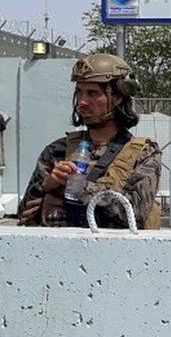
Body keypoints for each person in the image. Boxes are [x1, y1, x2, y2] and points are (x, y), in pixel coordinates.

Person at [18, 53, 162, 229]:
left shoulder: (144, 154)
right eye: (79, 92)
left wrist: (76, 187)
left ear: (117, 97)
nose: (82, 102)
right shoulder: (57, 150)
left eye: (92, 93)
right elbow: (24, 216)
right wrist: (46, 185)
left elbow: (135, 214)